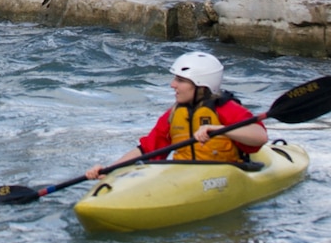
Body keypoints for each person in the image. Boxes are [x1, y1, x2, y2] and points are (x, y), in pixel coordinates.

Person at [84, 51, 267, 180]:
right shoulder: (172, 114)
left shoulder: (225, 108)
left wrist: (220, 130)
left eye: (180, 80)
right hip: (183, 174)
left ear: (200, 85)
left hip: (225, 173)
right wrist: (110, 170)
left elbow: (260, 137)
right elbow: (147, 150)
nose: (173, 85)